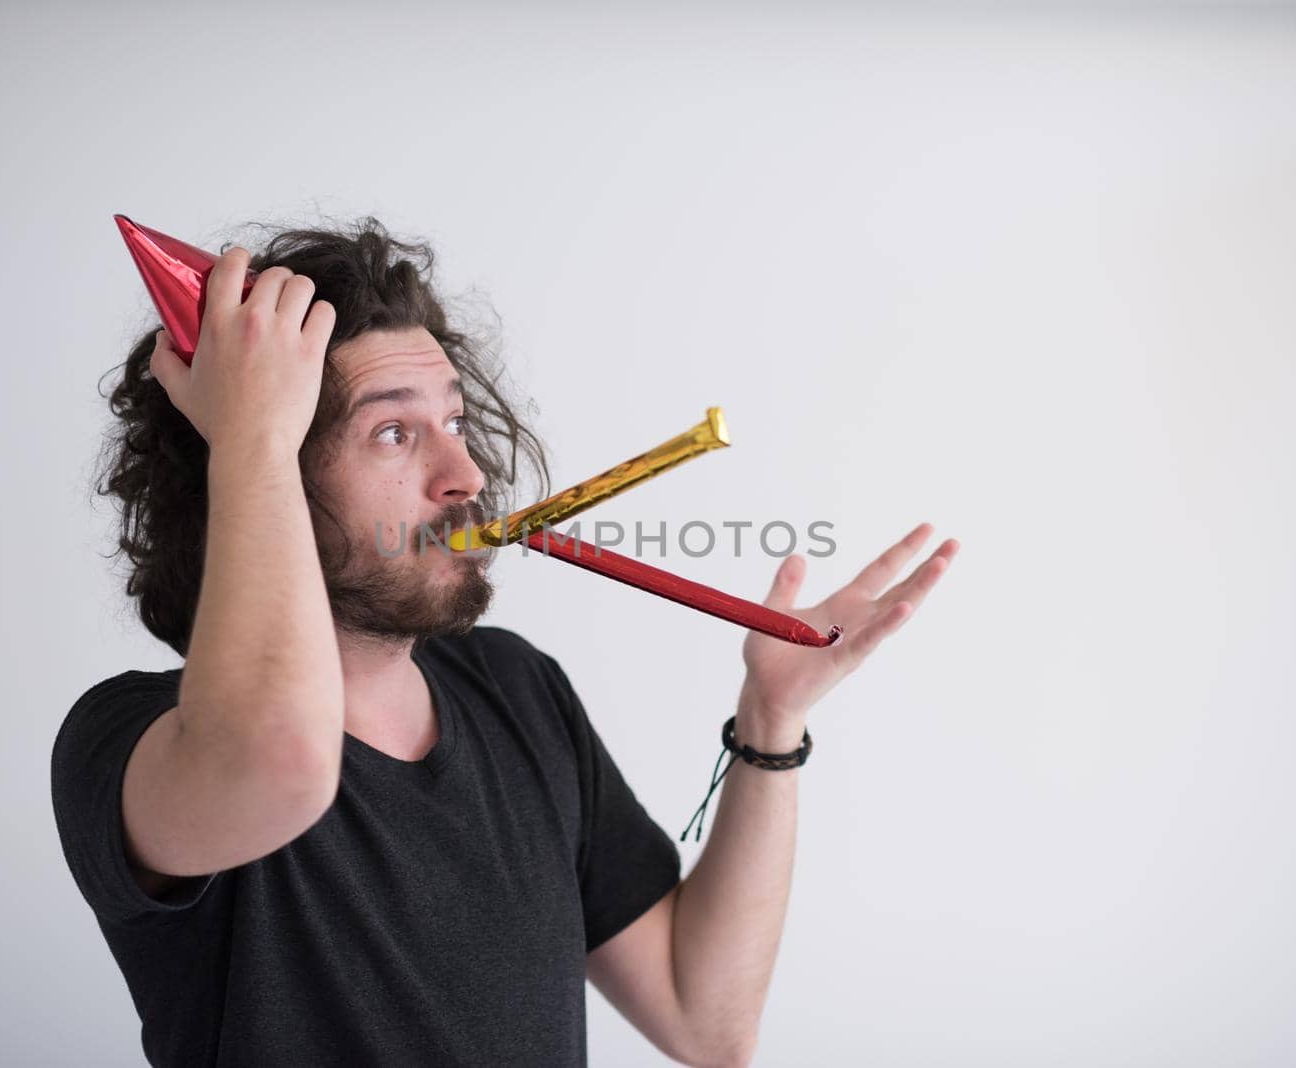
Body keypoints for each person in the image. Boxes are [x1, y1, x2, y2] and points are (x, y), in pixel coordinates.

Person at [51, 218, 958, 1067]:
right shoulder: (131, 741)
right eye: (394, 432)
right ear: (254, 465)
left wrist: (771, 719)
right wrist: (248, 425)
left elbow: (705, 1016)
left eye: (452, 420)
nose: (467, 474)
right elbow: (282, 758)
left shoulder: (514, 687)